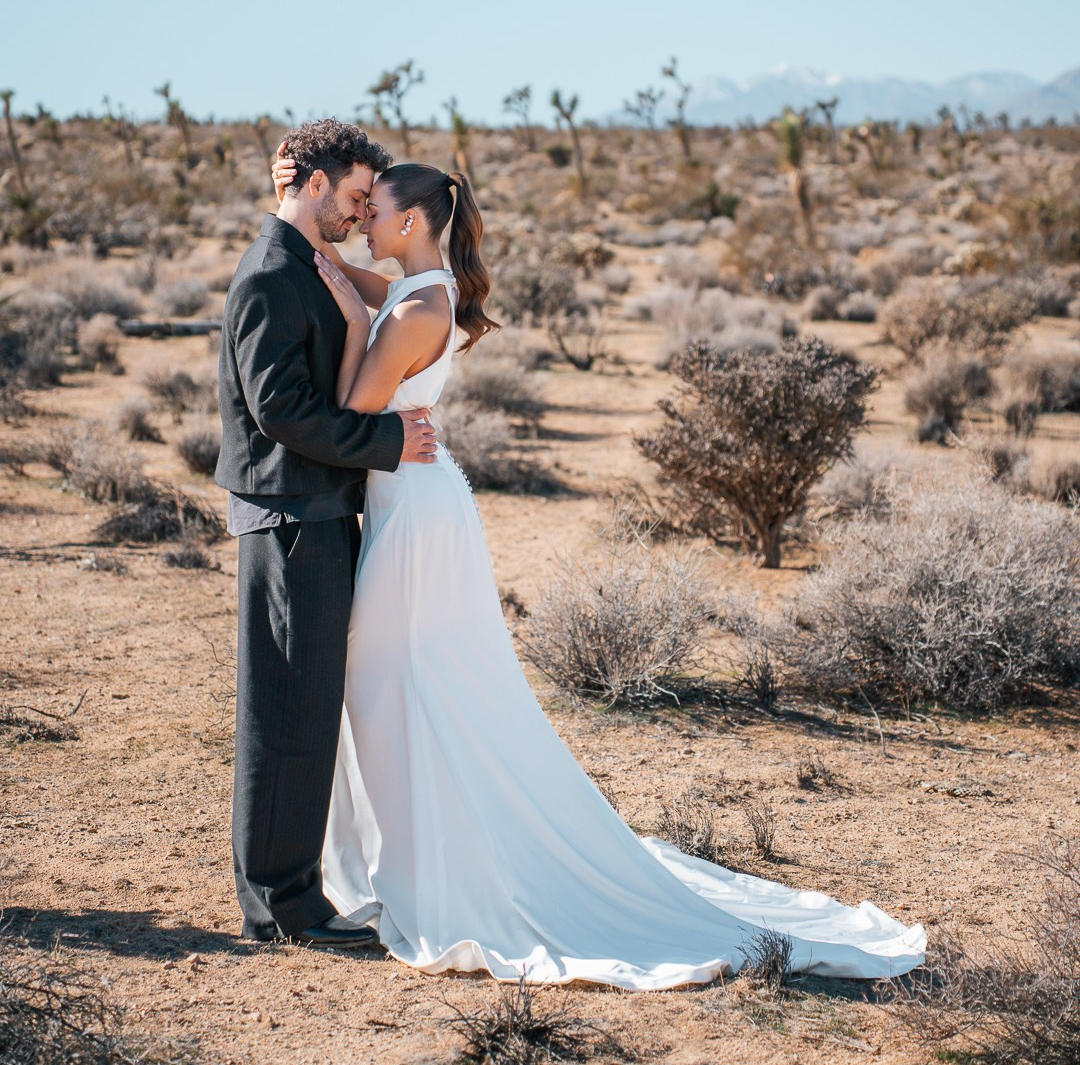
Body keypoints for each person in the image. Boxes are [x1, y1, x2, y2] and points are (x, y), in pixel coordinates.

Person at [269, 145, 927, 989]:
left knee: (389, 677)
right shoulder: (425, 289)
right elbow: (351, 277)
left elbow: (355, 405)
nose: (362, 220)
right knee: (407, 678)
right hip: (418, 500)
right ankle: (411, 844)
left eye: (374, 210)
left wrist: (355, 324)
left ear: (411, 220)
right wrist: (302, 225)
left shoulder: (406, 311)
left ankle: (425, 859)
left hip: (414, 513)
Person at [216, 119, 438, 944]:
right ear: (313, 185)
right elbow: (281, 412)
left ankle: (293, 891)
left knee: (306, 707)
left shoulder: (304, 263)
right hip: (290, 517)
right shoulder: (270, 274)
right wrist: (387, 442)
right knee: (288, 709)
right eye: (351, 195)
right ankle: (282, 904)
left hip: (316, 510)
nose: (358, 212)